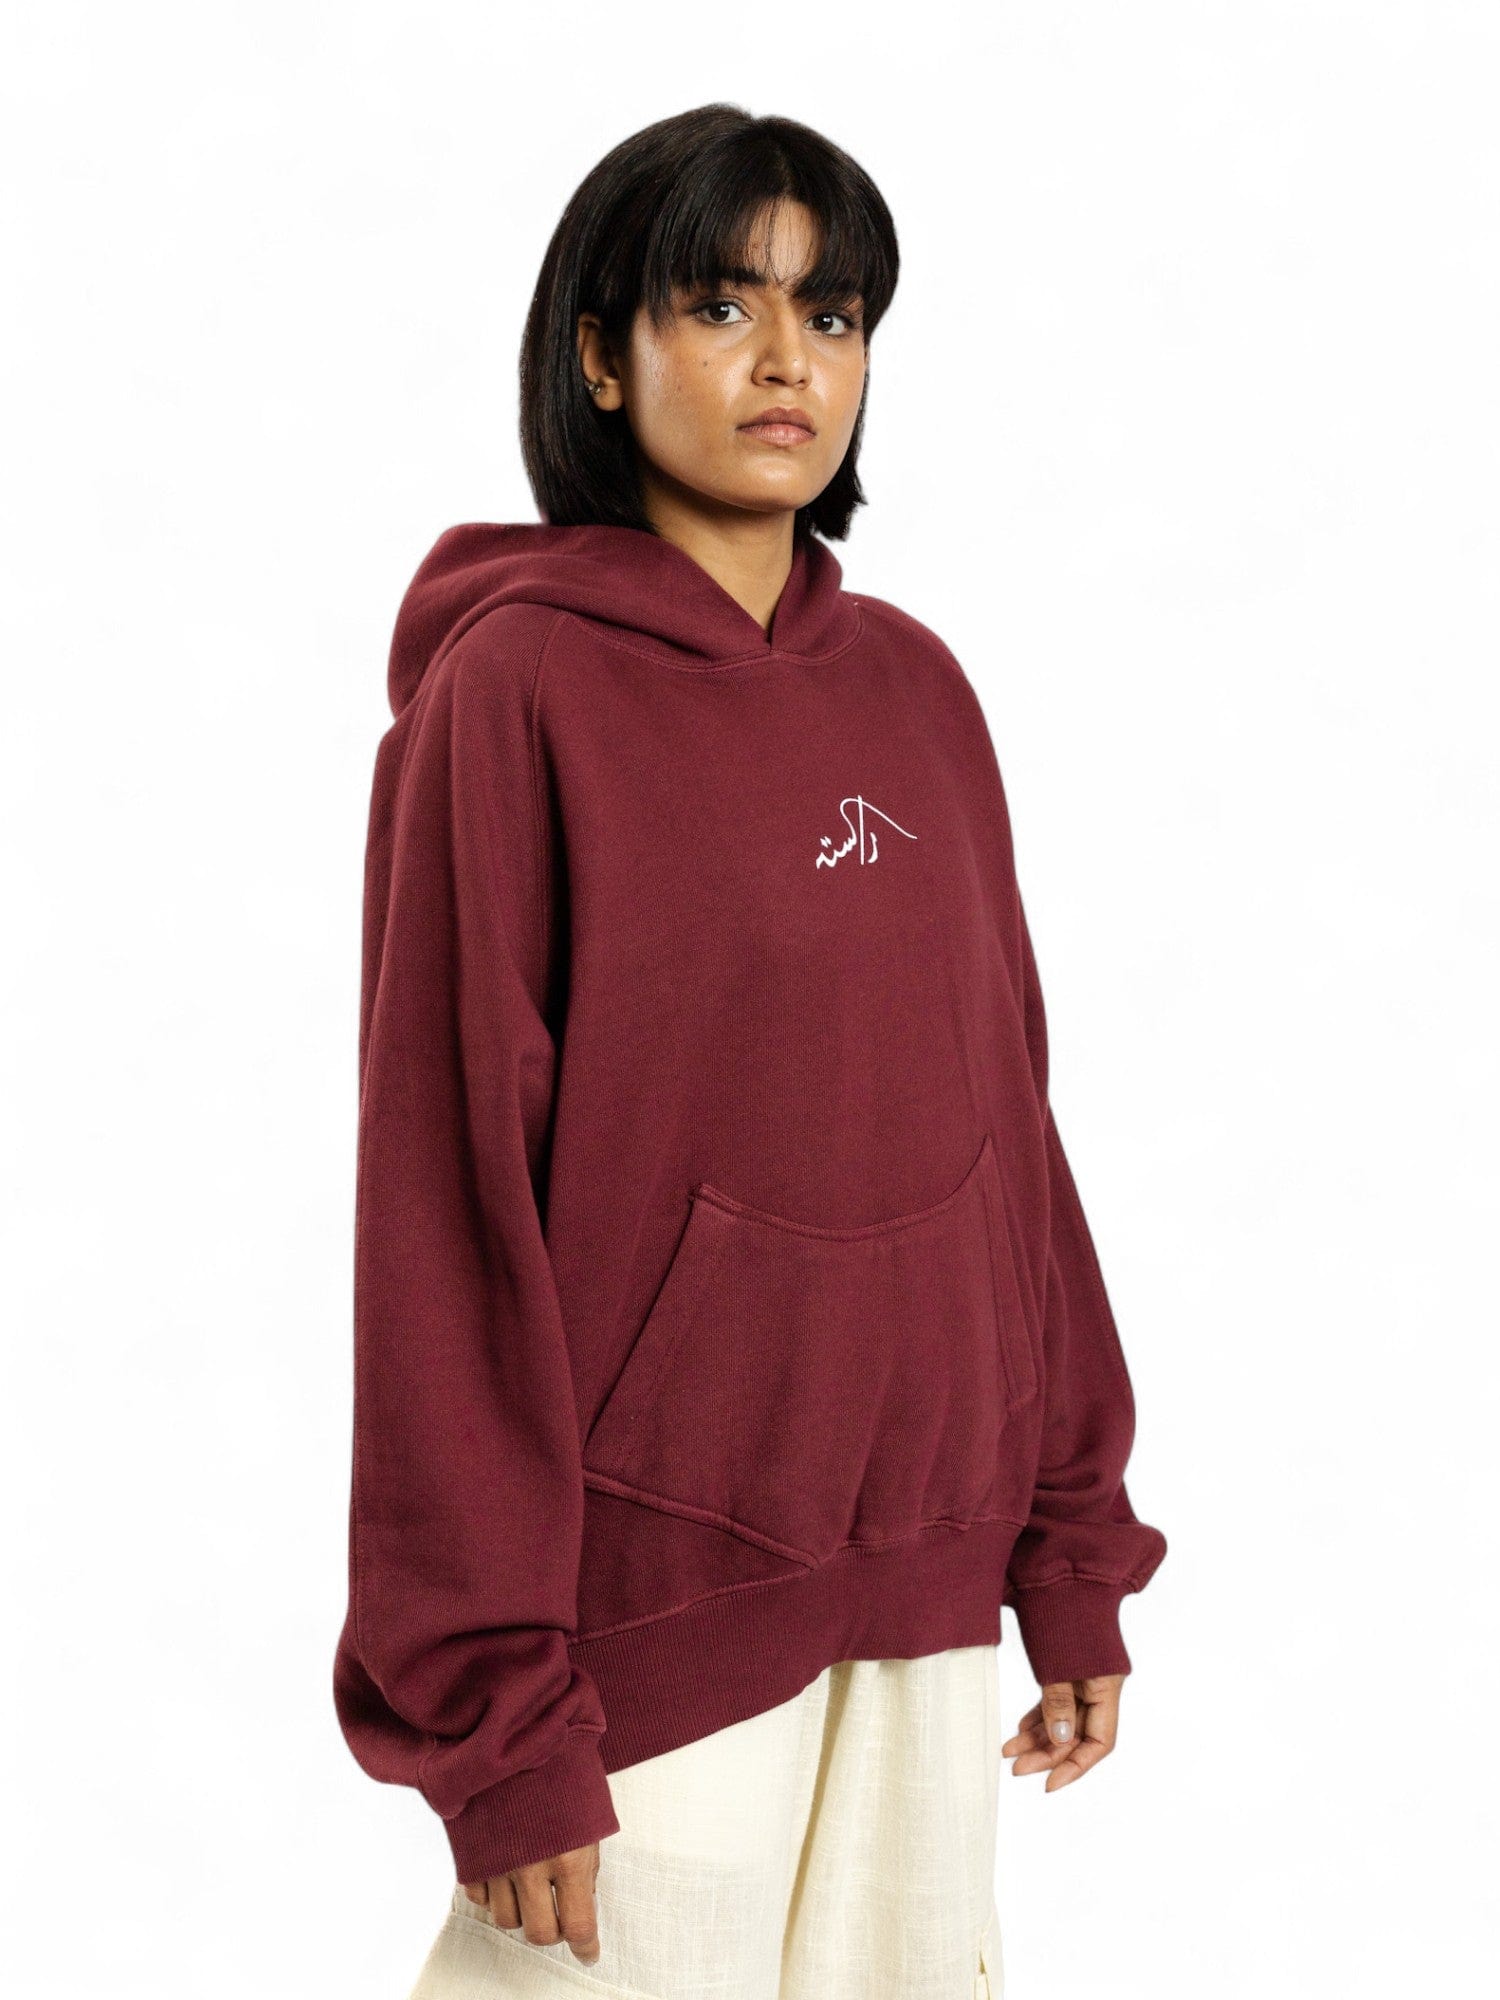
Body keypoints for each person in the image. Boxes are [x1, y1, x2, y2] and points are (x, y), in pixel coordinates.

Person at [332, 102, 1168, 2000]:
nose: (789, 359)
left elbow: (1009, 1135)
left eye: (833, 313)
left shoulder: (920, 691)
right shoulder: (514, 693)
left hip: (929, 1584)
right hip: (646, 1630)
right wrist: (497, 1716)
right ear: (600, 356)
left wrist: (1070, 1545)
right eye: (721, 305)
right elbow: (447, 1216)